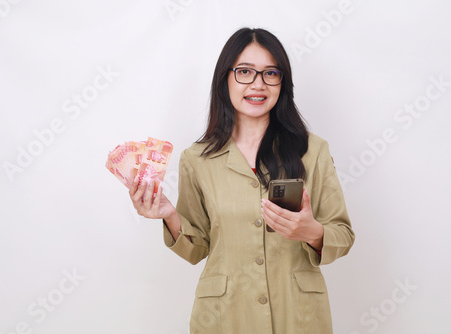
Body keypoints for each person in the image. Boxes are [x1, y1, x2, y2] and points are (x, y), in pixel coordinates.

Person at [129, 27, 355, 334]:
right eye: (245, 71)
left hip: (298, 315)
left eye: (270, 73)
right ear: (225, 79)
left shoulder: (312, 150)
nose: (258, 84)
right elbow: (196, 249)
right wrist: (169, 214)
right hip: (225, 315)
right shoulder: (196, 159)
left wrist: (312, 232)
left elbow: (342, 234)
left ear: (282, 82)